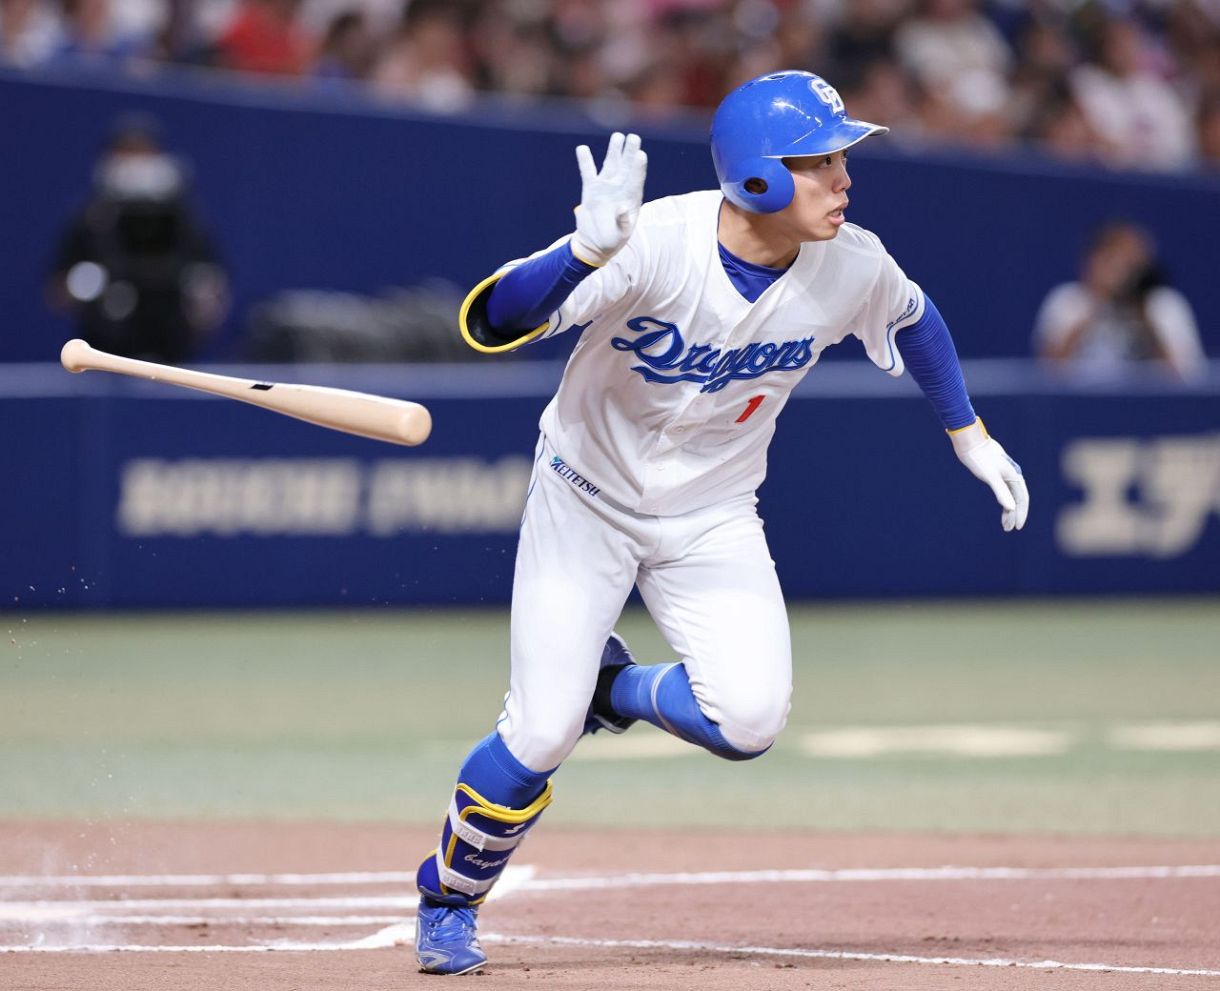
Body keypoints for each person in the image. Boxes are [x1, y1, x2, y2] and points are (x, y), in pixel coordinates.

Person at [412, 69, 1030, 976]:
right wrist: (583, 255)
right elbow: (490, 321)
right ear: (758, 177)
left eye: (842, 159)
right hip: (585, 497)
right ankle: (449, 900)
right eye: (820, 162)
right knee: (538, 733)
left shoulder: (852, 258)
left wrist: (967, 432)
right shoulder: (652, 241)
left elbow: (917, 317)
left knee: (748, 720)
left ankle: (611, 690)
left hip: (711, 514)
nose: (844, 180)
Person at [47, 114, 229, 363]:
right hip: (105, 350)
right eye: (126, 152)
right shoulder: (92, 220)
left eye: (143, 153)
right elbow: (58, 289)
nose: (135, 163)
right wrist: (83, 283)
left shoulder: (185, 221)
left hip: (172, 351)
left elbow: (215, 285)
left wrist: (204, 295)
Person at [1034, 221, 1206, 381]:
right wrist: (1099, 302)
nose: (1124, 273)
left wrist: (1145, 316)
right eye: (1114, 261)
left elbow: (1185, 378)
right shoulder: (1067, 300)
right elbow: (1049, 374)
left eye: (1133, 265)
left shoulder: (1164, 304)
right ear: (1093, 261)